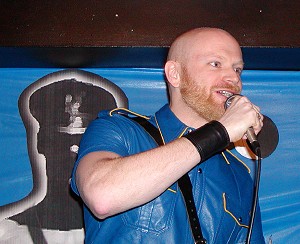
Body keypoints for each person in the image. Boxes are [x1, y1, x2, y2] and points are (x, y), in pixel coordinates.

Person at [70, 27, 265, 243]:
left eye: (237, 70)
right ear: (175, 74)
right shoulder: (119, 130)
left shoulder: (239, 175)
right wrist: (220, 132)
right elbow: (102, 197)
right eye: (215, 64)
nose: (233, 78)